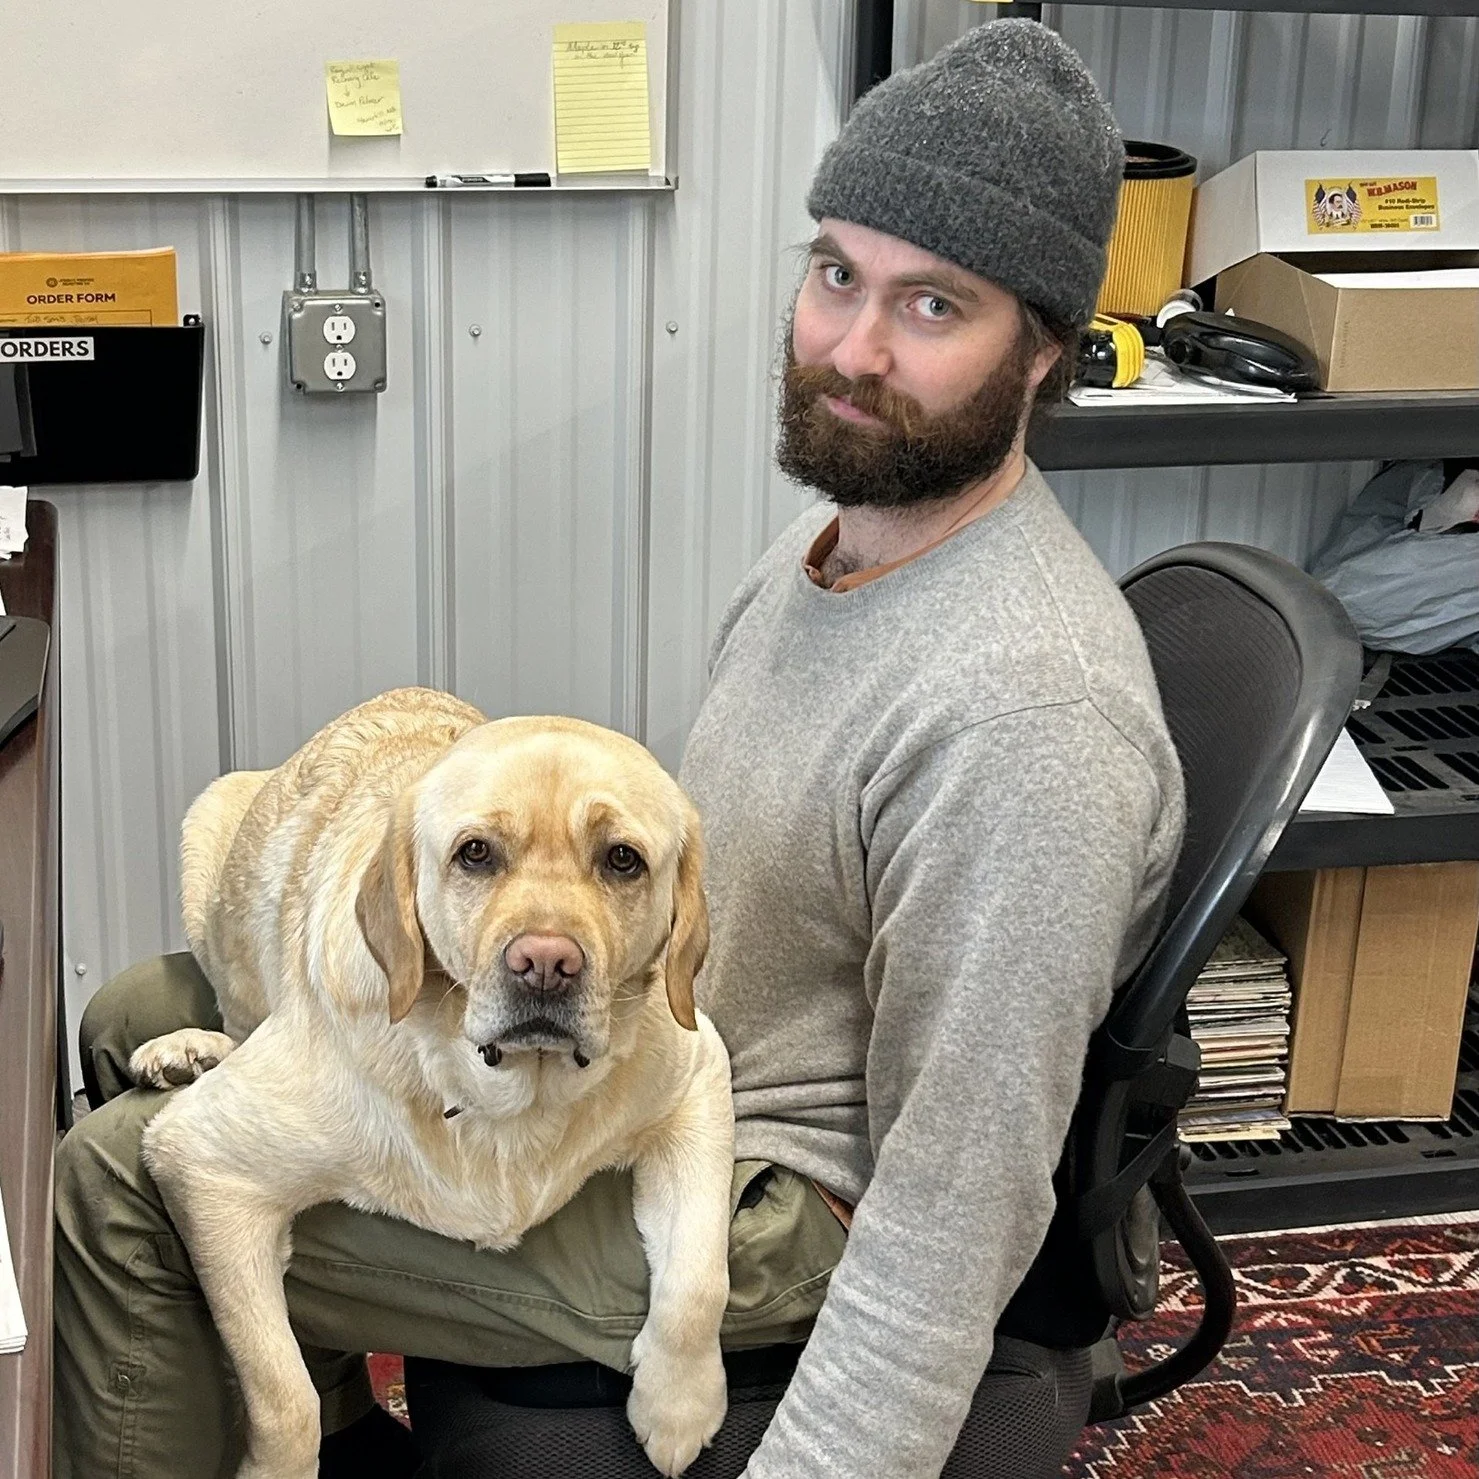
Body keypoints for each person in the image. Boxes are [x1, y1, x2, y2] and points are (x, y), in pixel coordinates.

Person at [53, 20, 1183, 1479]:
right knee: (137, 1006)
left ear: (1039, 350)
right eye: (836, 272)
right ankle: (324, 1433)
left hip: (783, 1199)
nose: (850, 346)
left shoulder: (1028, 719)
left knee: (119, 1184)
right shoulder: (827, 549)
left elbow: (958, 1203)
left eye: (931, 305)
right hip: (659, 1046)